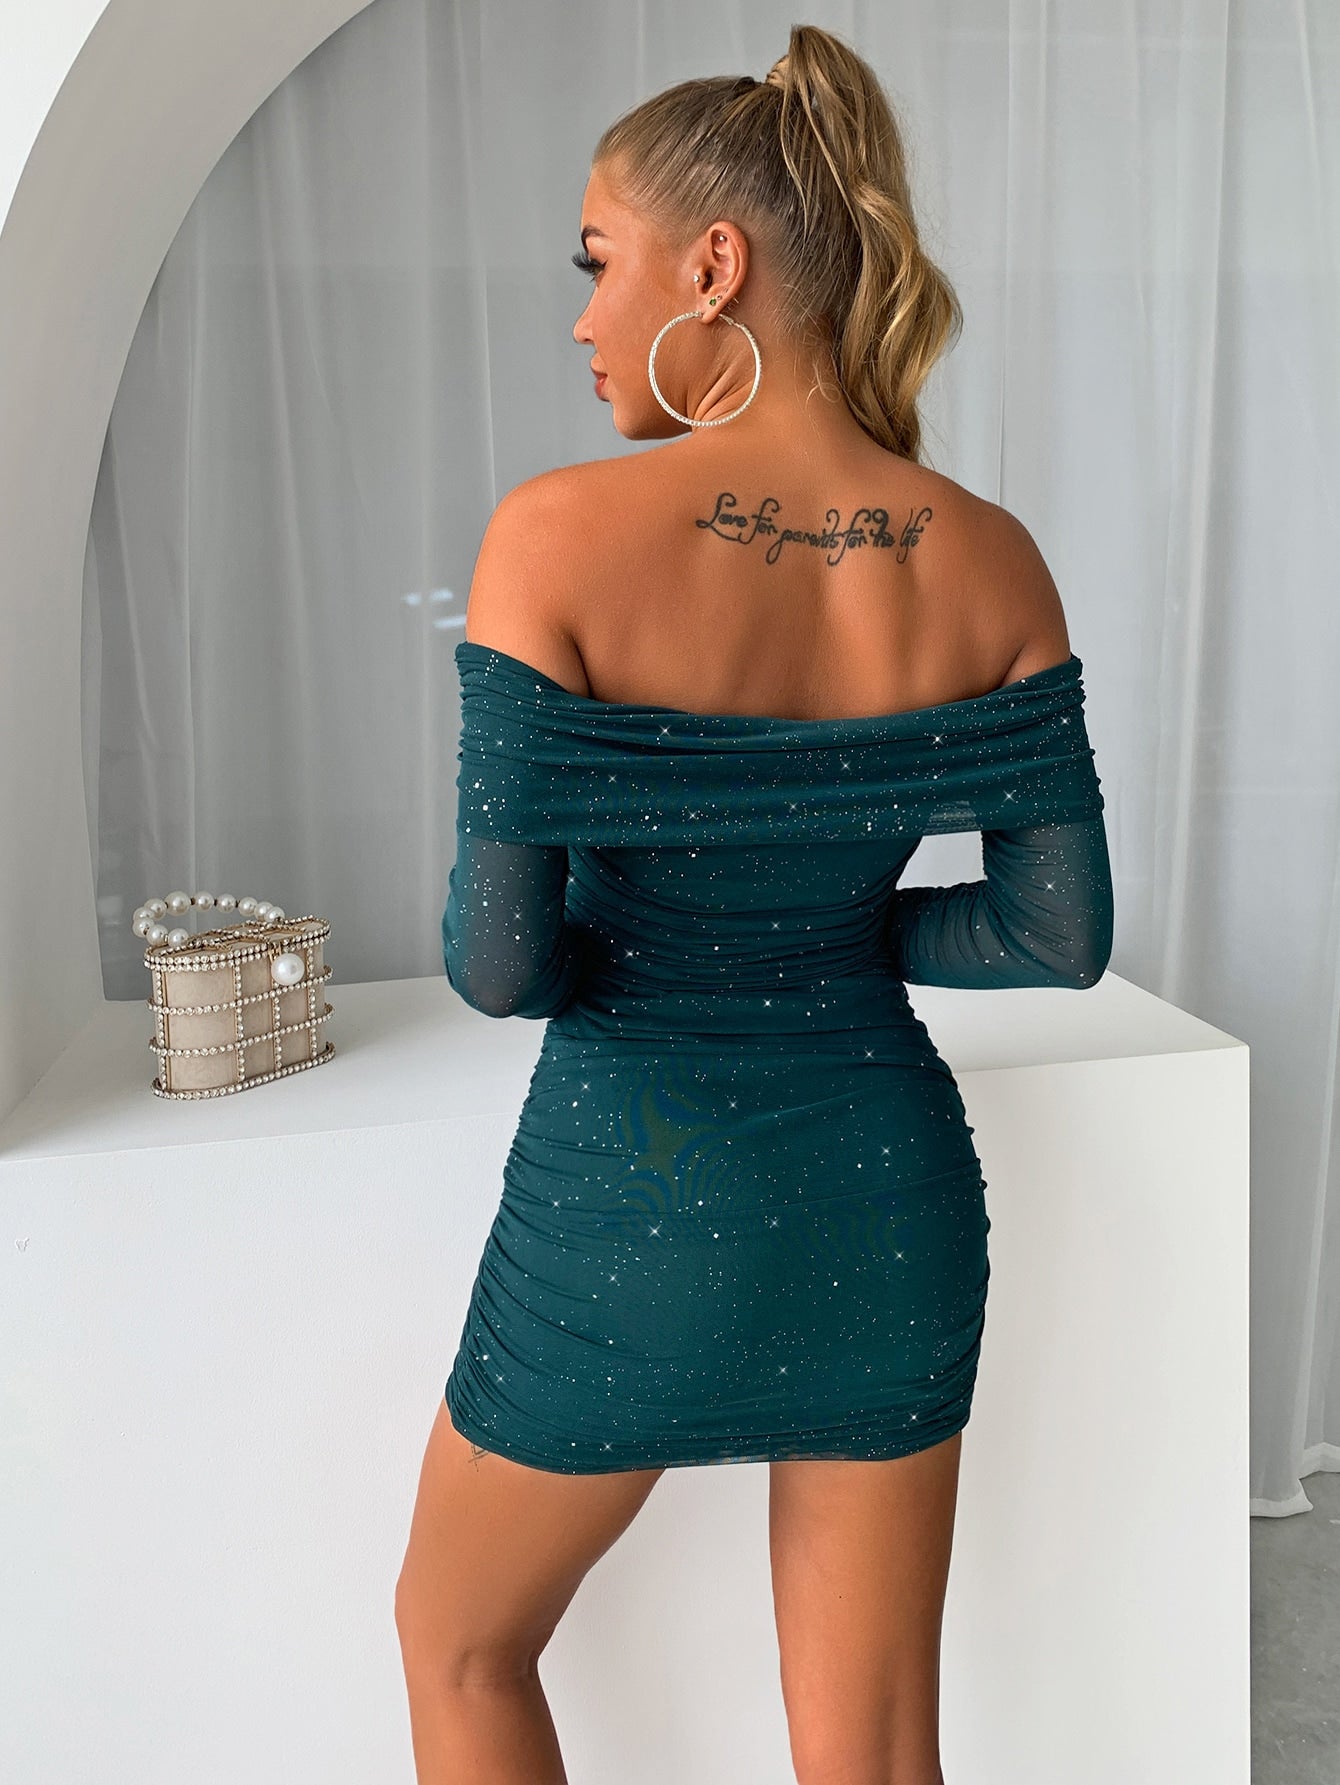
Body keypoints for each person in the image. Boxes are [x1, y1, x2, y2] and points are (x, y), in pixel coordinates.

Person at [394, 24, 1114, 1785]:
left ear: (712, 265)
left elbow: (498, 963)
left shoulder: (552, 537)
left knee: (462, 1645)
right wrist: (841, 940)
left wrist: (669, 950)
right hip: (888, 1191)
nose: (583, 318)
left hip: (639, 1190)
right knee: (873, 1756)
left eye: (597, 262)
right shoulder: (991, 554)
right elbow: (1056, 933)